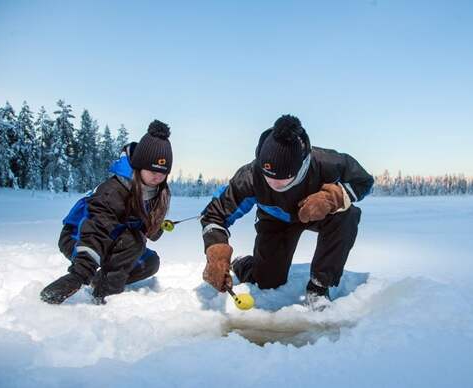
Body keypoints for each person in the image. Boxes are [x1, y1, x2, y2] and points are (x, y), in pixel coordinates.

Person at [200, 114, 373, 308]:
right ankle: (244, 264)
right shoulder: (250, 177)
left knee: (347, 216)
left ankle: (319, 287)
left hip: (317, 214)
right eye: (268, 176)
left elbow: (364, 181)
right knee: (267, 281)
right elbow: (214, 215)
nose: (273, 183)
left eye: (283, 178)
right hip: (275, 220)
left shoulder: (327, 163)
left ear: (301, 167)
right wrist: (216, 252)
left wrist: (331, 198)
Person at [40, 120, 173, 304]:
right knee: (133, 242)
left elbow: (137, 222)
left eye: (163, 171)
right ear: (139, 165)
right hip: (79, 236)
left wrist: (155, 225)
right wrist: (79, 274)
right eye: (151, 169)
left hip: (114, 238)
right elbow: (96, 231)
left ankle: (99, 282)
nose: (157, 176)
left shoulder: (154, 191)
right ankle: (104, 294)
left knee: (149, 262)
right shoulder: (112, 192)